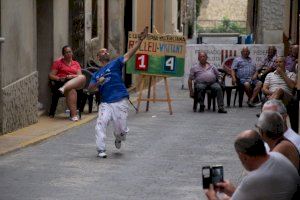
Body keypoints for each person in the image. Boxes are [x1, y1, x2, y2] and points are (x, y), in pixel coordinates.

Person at [88, 27, 148, 158]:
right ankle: (101, 149)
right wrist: (98, 82)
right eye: (102, 52)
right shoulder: (97, 74)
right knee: (101, 123)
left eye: (106, 51)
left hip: (120, 100)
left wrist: (139, 41)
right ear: (98, 57)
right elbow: (90, 88)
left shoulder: (116, 63)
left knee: (121, 130)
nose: (105, 52)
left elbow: (130, 54)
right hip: (105, 103)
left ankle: (119, 137)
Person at [205, 130, 299, 200]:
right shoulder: (277, 156)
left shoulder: (254, 179)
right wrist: (233, 191)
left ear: (244, 157)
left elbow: (254, 185)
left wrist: (211, 195)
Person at [48, 45, 86, 121]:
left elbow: (79, 76)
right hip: (62, 82)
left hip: (74, 82)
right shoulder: (58, 63)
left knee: (82, 77)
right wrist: (59, 78)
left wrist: (71, 76)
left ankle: (64, 88)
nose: (68, 54)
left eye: (69, 52)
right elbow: (51, 75)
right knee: (72, 90)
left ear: (72, 53)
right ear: (63, 54)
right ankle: (73, 116)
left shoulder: (76, 63)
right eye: (66, 52)